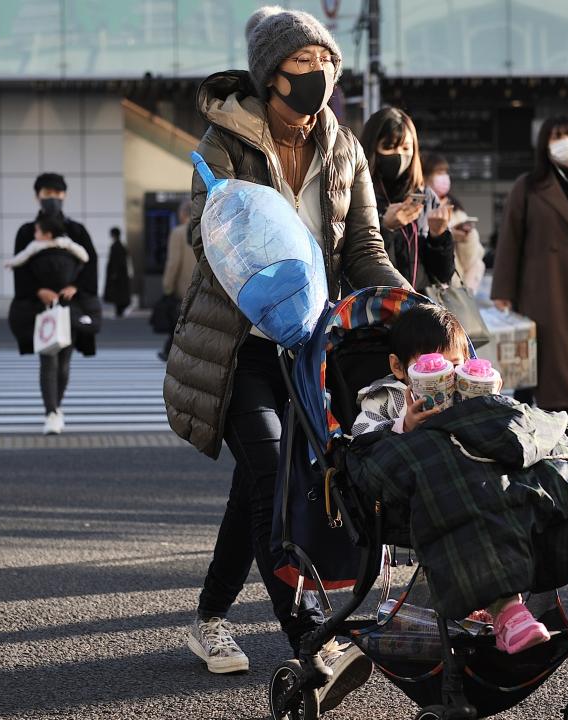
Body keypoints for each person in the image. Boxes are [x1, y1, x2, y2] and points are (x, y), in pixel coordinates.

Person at [162, 6, 408, 707]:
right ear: (272, 76)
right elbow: (209, 245)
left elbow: (364, 250)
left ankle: (209, 619)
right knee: (272, 477)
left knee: (255, 493)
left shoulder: (343, 147)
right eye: (304, 66)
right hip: (239, 344)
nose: (319, 78)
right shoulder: (221, 147)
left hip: (311, 348)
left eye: (326, 65)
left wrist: (412, 307)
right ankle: (312, 641)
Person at [350, 303, 568, 656]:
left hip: (498, 475)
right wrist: (405, 426)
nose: (446, 375)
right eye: (429, 366)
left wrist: (494, 400)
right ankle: (507, 612)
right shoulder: (385, 396)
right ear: (398, 367)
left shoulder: (472, 387)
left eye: (453, 365)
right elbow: (363, 442)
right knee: (476, 510)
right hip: (446, 486)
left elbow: (512, 433)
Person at [491, 116, 568, 418]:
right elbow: (510, 241)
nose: (565, 141)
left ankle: (567, 441)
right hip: (543, 290)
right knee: (543, 373)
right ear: (544, 143)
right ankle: (545, 438)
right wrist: (503, 290)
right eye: (557, 136)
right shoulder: (528, 187)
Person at [8, 173, 99, 435]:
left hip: (71, 306)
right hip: (40, 307)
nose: (53, 198)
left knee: (65, 359)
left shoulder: (76, 231)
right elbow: (20, 268)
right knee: (48, 357)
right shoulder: (27, 231)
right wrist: (38, 291)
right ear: (37, 196)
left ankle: (56, 406)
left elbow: (90, 264)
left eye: (57, 194)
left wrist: (77, 288)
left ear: (65, 196)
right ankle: (51, 411)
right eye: (47, 193)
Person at [360, 108, 454, 293]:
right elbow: (356, 264)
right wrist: (385, 227)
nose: (399, 155)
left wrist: (438, 236)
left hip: (419, 308)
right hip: (374, 308)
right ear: (372, 149)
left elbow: (443, 275)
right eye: (389, 147)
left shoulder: (425, 198)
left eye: (405, 148)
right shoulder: (359, 195)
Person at [424, 155, 484, 292]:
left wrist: (466, 238)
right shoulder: (416, 209)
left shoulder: (457, 212)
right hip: (428, 288)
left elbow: (471, 261)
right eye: (439, 173)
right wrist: (447, 235)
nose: (444, 178)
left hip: (455, 291)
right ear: (424, 176)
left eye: (446, 173)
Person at [157, 199, 195, 362]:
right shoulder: (208, 229)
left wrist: (167, 287)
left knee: (179, 322)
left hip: (184, 288)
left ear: (182, 214)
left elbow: (174, 263)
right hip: (205, 288)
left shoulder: (179, 232)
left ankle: (171, 351)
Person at [103, 226, 133, 318]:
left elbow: (116, 261)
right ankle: (120, 309)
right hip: (122, 274)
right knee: (121, 294)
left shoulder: (116, 246)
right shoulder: (122, 245)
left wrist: (114, 273)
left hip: (117, 275)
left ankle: (119, 309)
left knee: (118, 294)